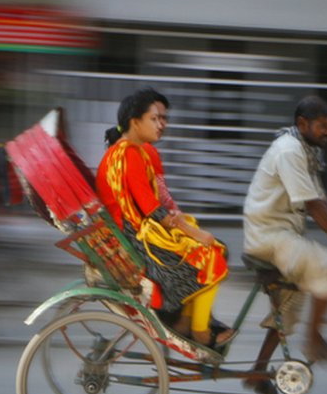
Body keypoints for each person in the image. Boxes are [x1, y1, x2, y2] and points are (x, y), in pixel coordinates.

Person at [242, 96, 327, 394]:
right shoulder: (289, 150)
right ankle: (314, 341)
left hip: (281, 235)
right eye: (323, 126)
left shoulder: (306, 152)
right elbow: (313, 205)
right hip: (268, 236)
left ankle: (257, 371)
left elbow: (322, 203)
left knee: (290, 305)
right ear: (303, 124)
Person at [96, 88, 234, 350]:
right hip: (137, 242)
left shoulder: (133, 151)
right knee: (212, 255)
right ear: (135, 122)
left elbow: (157, 203)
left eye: (163, 119)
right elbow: (153, 210)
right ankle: (200, 331)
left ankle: (185, 321)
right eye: (154, 119)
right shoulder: (129, 154)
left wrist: (184, 225)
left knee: (213, 247)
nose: (162, 124)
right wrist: (195, 234)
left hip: (134, 234)